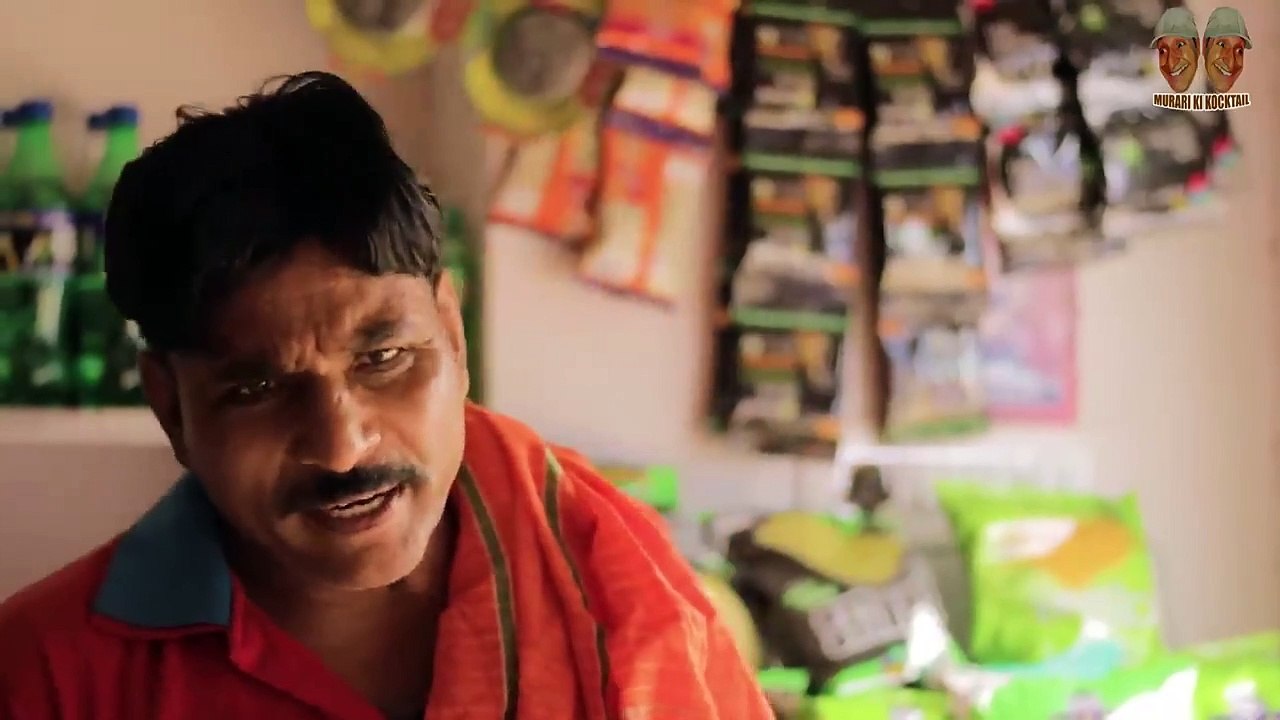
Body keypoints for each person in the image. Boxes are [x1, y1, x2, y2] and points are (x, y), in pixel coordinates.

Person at [0, 72, 770, 720]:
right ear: (171, 406)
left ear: (452, 336)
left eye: (386, 359)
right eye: (259, 388)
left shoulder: (622, 592)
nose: (342, 447)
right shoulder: (47, 675)